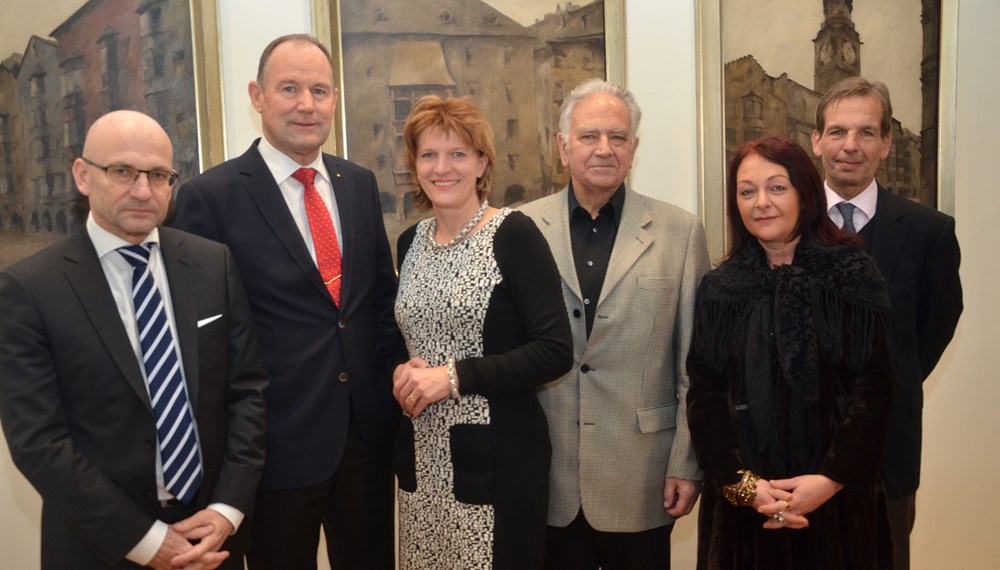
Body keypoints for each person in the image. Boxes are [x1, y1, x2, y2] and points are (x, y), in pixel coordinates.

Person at [0, 110, 268, 569]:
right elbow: (39, 441)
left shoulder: (212, 264)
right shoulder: (29, 288)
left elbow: (247, 393)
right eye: (123, 171)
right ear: (83, 176)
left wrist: (227, 510)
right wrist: (145, 540)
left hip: (212, 540)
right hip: (100, 546)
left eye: (159, 175)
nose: (144, 191)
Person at [172, 34, 401, 569]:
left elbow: (377, 306)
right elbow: (201, 341)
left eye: (319, 90)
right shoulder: (211, 197)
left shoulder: (359, 183)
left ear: (335, 99)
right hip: (273, 449)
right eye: (290, 88)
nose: (306, 104)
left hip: (365, 443)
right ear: (257, 95)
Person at [519, 79, 710, 569]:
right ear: (563, 146)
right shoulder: (519, 229)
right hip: (547, 473)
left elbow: (696, 363)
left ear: (634, 148)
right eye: (588, 136)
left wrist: (687, 463)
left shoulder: (680, 233)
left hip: (642, 474)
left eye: (618, 137)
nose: (604, 149)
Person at [686, 135, 895, 569]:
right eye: (747, 191)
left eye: (777, 187)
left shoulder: (853, 274)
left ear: (805, 192)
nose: (761, 202)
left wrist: (830, 480)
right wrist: (745, 487)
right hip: (745, 509)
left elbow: (874, 390)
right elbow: (704, 396)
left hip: (835, 501)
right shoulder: (720, 287)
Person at [391, 95, 572, 569]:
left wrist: (452, 377)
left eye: (457, 154)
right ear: (415, 165)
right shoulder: (408, 243)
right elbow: (408, 334)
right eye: (428, 154)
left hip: (498, 460)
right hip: (422, 458)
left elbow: (554, 351)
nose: (441, 167)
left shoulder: (514, 235)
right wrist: (401, 370)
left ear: (481, 163)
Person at [811, 77, 963, 570]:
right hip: (798, 451)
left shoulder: (928, 231)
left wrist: (885, 387)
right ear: (816, 141)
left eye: (866, 132)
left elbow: (933, 327)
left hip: (888, 453)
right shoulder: (786, 225)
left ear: (886, 142)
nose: (850, 146)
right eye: (836, 132)